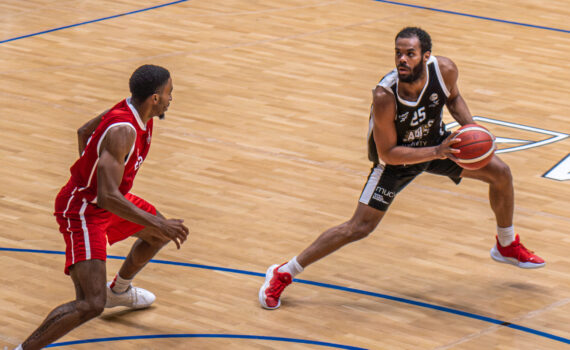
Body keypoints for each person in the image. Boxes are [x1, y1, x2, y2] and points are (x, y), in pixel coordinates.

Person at [258, 27, 545, 310]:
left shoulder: (444, 70)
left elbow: (454, 98)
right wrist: (437, 151)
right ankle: (284, 272)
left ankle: (505, 245)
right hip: (397, 163)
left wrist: (470, 127)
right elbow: (388, 153)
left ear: (426, 56)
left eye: (410, 53)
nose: (402, 59)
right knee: (359, 227)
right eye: (398, 53)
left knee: (501, 173)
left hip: (436, 144)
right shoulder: (385, 95)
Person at [15, 64, 189, 350]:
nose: (172, 97)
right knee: (90, 304)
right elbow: (106, 197)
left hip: (107, 201)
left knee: (159, 234)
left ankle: (119, 291)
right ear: (154, 98)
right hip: (83, 210)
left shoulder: (137, 108)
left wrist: (92, 168)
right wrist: (93, 183)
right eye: (169, 92)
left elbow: (84, 131)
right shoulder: (123, 131)